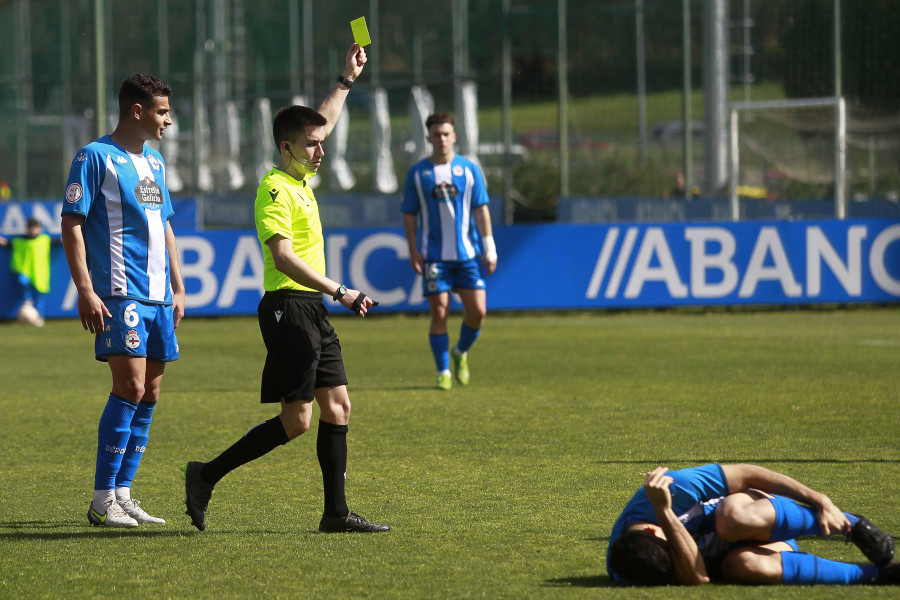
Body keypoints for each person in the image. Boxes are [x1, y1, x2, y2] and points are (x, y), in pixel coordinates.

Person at [183, 43, 388, 534]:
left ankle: (335, 514)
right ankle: (205, 475)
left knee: (338, 406)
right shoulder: (274, 188)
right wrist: (341, 290)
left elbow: (323, 120)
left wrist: (346, 79)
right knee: (297, 421)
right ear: (286, 148)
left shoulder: (300, 177)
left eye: (321, 143)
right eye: (312, 145)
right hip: (288, 308)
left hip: (312, 308)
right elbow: (283, 258)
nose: (321, 150)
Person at [60, 74, 185, 528]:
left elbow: (165, 225)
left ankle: (123, 493)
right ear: (137, 111)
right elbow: (72, 222)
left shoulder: (155, 164)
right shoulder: (95, 157)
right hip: (119, 290)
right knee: (129, 387)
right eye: (162, 112)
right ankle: (101, 497)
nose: (169, 120)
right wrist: (86, 289)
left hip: (157, 297)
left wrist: (178, 285)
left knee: (150, 391)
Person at [607, 464, 897, 586]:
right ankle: (876, 576)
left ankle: (851, 524)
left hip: (753, 514)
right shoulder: (629, 568)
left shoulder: (671, 489)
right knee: (742, 566)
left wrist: (820, 500)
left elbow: (747, 474)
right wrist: (666, 515)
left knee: (732, 520)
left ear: (650, 529)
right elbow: (698, 578)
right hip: (754, 551)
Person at [401, 113, 497, 391]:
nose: (441, 139)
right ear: (428, 138)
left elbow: (481, 211)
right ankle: (443, 370)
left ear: (454, 136)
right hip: (435, 257)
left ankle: (460, 353)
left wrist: (489, 248)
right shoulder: (418, 173)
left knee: (478, 312)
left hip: (467, 255)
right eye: (436, 134)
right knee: (439, 312)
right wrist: (413, 249)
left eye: (446, 134)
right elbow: (409, 214)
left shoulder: (469, 170)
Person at [0, 217, 55, 326]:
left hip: (39, 273)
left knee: (39, 296)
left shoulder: (45, 239)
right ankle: (26, 301)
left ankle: (38, 316)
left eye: (35, 228)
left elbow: (58, 242)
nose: (33, 230)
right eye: (31, 228)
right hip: (24, 270)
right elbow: (8, 244)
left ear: (39, 228)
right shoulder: (19, 241)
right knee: (22, 282)